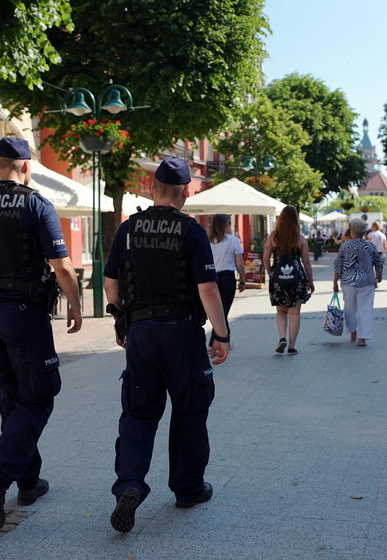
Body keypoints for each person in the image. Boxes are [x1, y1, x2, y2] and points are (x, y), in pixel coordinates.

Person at [0, 137, 83, 529]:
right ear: (26, 167)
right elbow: (61, 266)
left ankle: (29, 481)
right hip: (24, 315)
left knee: (13, 395)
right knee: (40, 395)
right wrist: (75, 304)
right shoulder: (35, 204)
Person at [103, 156, 229, 533]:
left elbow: (111, 283)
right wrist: (222, 335)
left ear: (151, 189)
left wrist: (118, 317)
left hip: (141, 333)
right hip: (183, 333)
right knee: (190, 410)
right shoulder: (191, 232)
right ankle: (188, 488)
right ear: (185, 193)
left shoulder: (128, 229)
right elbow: (207, 288)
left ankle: (129, 485)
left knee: (138, 414)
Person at [263, 205, 314, 355]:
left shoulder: (273, 236)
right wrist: (310, 281)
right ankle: (292, 346)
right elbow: (306, 262)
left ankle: (282, 338)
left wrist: (270, 274)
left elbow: (265, 258)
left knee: (280, 311)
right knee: (294, 313)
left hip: (278, 278)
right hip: (297, 278)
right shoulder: (300, 238)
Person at [333, 218, 383, 346]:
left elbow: (338, 265)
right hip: (366, 281)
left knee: (349, 308)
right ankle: (362, 337)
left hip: (348, 282)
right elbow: (379, 261)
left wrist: (335, 282)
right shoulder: (370, 245)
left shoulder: (345, 246)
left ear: (352, 231)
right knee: (365, 309)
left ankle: (353, 332)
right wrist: (379, 275)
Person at [207, 214, 246, 346]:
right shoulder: (233, 241)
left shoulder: (207, 240)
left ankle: (224, 339)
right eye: (229, 223)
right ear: (225, 225)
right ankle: (216, 340)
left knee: (217, 310)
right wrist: (242, 280)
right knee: (223, 310)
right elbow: (240, 264)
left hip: (211, 278)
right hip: (227, 277)